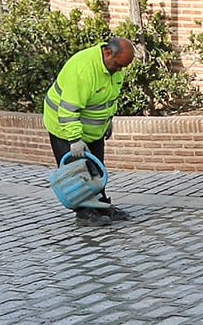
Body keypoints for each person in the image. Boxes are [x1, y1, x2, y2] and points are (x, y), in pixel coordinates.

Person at [42, 35, 136, 219]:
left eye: (123, 67)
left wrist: (109, 120)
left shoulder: (116, 69)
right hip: (64, 126)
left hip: (94, 129)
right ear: (107, 53)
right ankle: (84, 212)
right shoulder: (83, 69)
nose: (120, 70)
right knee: (75, 170)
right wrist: (75, 139)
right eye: (118, 64)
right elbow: (68, 109)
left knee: (96, 168)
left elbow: (110, 98)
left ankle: (101, 206)